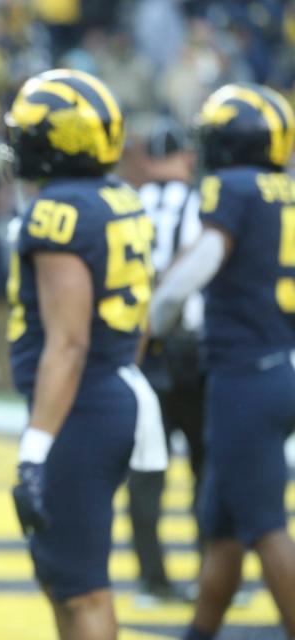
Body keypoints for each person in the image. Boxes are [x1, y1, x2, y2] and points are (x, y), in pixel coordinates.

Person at [5, 69, 166, 639]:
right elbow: (138, 322)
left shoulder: (59, 211)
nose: (17, 145)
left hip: (80, 406)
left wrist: (36, 446)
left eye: (25, 133)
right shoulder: (120, 197)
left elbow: (68, 343)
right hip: (110, 391)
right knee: (64, 574)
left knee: (81, 588)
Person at [149, 83, 295, 640]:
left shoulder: (232, 187)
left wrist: (155, 315)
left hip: (244, 375)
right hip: (273, 365)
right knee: (224, 530)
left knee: (264, 529)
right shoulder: (281, 189)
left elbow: (199, 265)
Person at [127, 117, 204, 605]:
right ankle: (215, 571)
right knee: (206, 466)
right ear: (188, 158)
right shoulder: (199, 204)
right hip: (193, 349)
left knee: (147, 469)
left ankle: (152, 578)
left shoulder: (129, 204)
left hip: (140, 350)